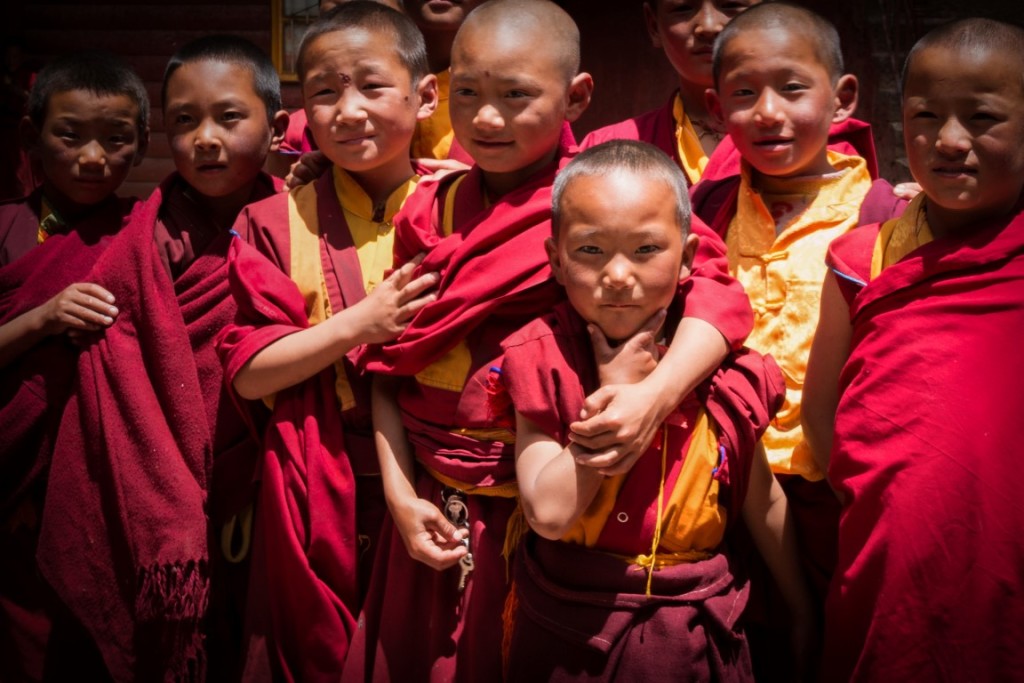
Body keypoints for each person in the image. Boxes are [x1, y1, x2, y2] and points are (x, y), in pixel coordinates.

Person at [344, 1, 755, 680]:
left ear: (577, 97)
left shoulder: (607, 199)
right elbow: (394, 359)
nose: (486, 118)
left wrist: (651, 395)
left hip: (565, 502)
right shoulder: (431, 206)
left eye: (516, 96)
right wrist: (397, 493)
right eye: (467, 93)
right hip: (432, 497)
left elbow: (719, 298)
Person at [501, 140, 812, 681]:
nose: (618, 275)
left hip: (698, 628)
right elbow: (548, 514)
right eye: (591, 251)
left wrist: (804, 609)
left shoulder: (720, 370)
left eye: (646, 250)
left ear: (689, 256)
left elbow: (762, 503)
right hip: (569, 631)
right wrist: (613, 394)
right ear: (555, 259)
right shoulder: (542, 357)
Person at [28, 35, 287, 680]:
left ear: (277, 128)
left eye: (228, 117)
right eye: (184, 120)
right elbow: (106, 367)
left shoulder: (300, 220)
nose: (204, 138)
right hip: (152, 487)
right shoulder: (139, 237)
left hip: (270, 480)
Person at [216, 3, 440, 679]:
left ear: (424, 95)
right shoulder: (272, 219)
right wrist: (359, 325)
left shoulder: (464, 203)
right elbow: (250, 373)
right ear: (300, 109)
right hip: (314, 474)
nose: (347, 110)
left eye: (371, 87)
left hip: (438, 474)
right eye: (323, 92)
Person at [802, 17, 1024, 681]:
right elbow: (821, 413)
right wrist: (885, 497)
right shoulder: (862, 257)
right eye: (925, 116)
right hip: (889, 543)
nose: (950, 141)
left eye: (982, 117)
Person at [695, 3, 908, 674]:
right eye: (744, 93)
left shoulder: (887, 216)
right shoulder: (707, 209)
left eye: (792, 88)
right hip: (719, 487)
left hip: (830, 494)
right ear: (715, 105)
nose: (766, 111)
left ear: (843, 98)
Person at [0, 50, 147, 682]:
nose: (93, 159)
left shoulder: (145, 229)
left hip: (101, 485)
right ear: (32, 138)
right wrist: (43, 318)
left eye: (116, 140)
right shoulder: (5, 227)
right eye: (70, 136)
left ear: (140, 147)